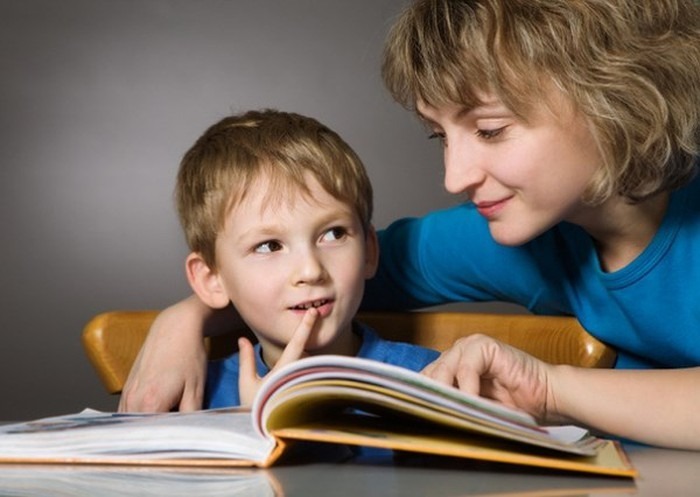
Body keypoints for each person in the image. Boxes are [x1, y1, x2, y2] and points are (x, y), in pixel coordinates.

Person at [119, 0, 700, 449]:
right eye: (441, 136)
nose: (454, 175)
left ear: (617, 95)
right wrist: (187, 317)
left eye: (490, 129)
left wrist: (553, 389)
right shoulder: (503, 236)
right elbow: (320, 277)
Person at [160, 109, 439, 408]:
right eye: (269, 246)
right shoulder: (191, 398)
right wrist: (250, 425)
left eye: (333, 234)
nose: (310, 270)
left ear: (370, 250)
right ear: (212, 279)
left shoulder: (436, 382)